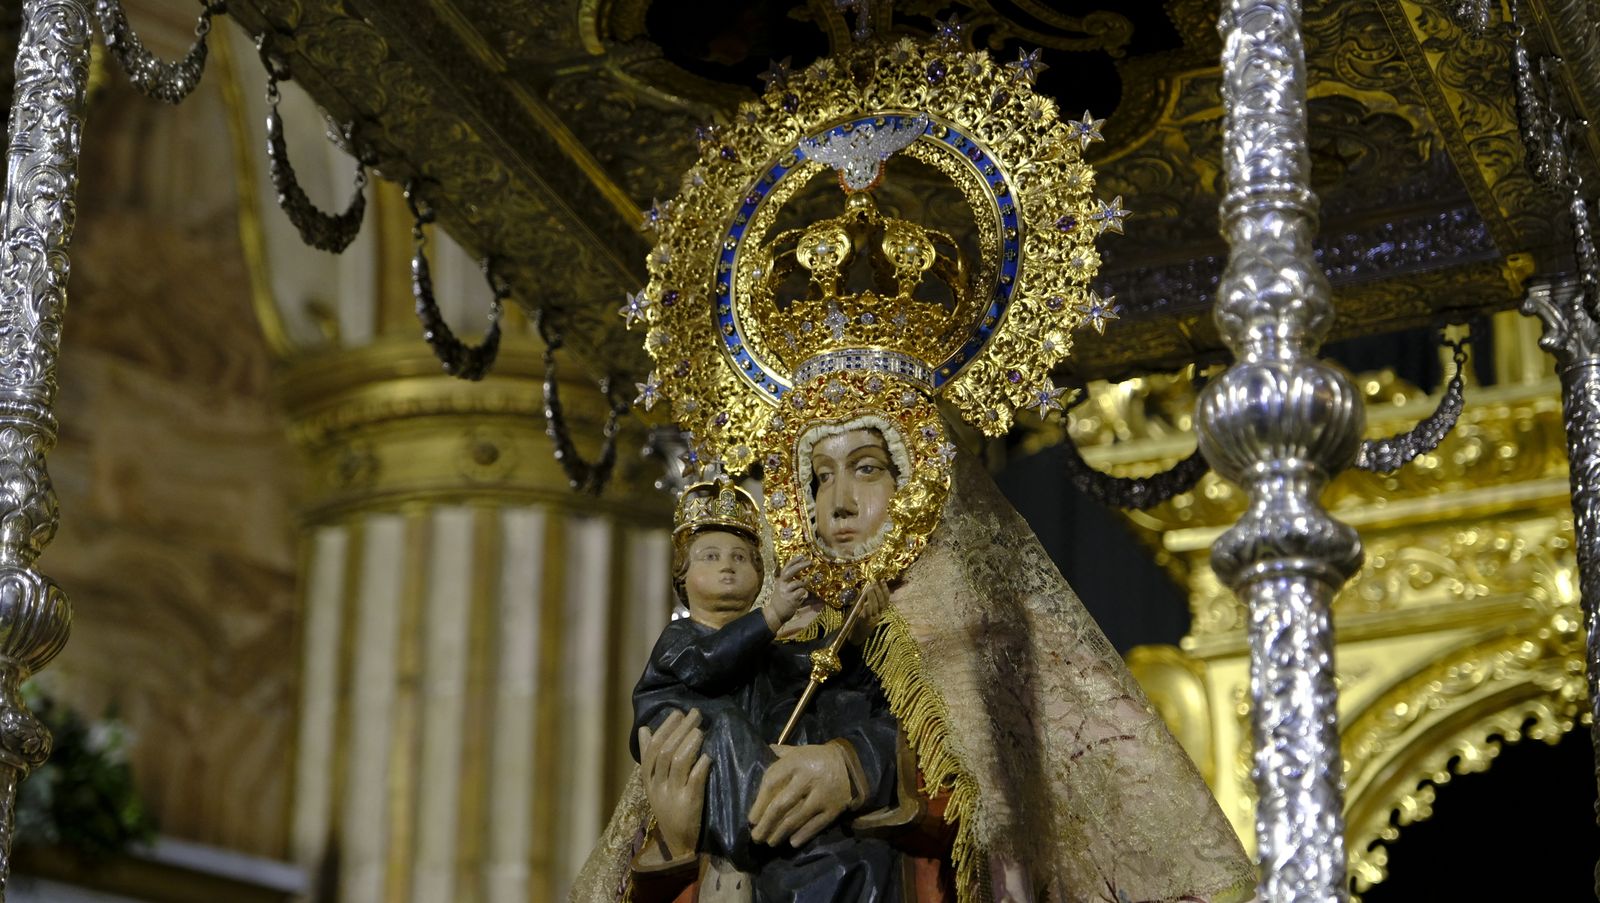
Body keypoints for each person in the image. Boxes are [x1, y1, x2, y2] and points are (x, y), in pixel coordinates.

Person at [577, 427, 1257, 902]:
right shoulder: (780, 643)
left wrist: (858, 765)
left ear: (919, 477)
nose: (838, 500)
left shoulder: (990, 630)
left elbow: (1018, 789)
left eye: (866, 467)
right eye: (819, 475)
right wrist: (678, 831)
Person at [629, 476, 905, 900]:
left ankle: (789, 814)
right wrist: (773, 613)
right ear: (682, 578)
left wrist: (852, 639)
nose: (728, 565)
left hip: (742, 759)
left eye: (741, 557)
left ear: (759, 575)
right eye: (711, 556)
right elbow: (709, 664)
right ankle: (763, 817)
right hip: (691, 736)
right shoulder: (680, 640)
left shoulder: (765, 647)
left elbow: (809, 666)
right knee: (725, 725)